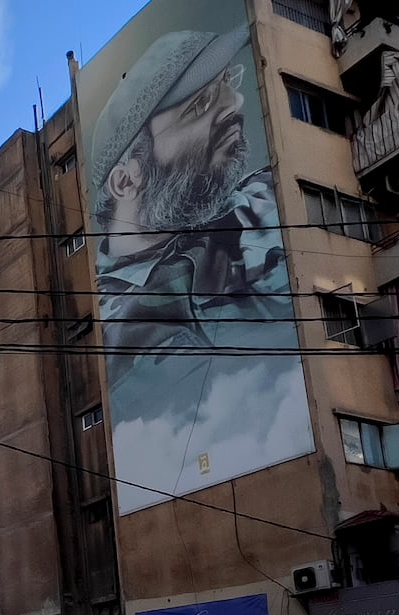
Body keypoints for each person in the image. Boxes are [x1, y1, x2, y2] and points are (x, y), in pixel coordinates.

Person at [88, 25, 308, 504]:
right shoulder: (116, 335)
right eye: (199, 105)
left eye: (228, 82)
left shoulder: (264, 200)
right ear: (127, 181)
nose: (233, 104)